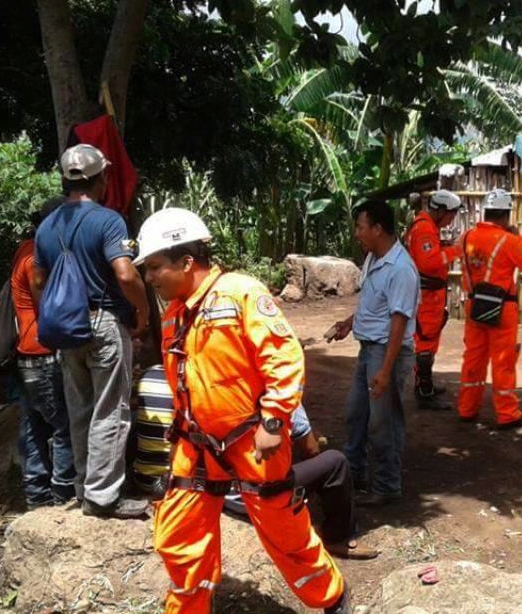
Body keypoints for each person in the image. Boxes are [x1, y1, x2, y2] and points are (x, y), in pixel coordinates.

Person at [137, 208, 348, 614]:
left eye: (155, 267)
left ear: (185, 261)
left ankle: (332, 600)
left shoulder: (240, 294)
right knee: (178, 536)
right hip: (195, 446)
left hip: (254, 441)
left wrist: (273, 420)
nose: (149, 278)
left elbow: (283, 359)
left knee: (284, 532)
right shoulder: (174, 315)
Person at [131, 364, 378, 560]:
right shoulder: (275, 390)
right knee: (334, 462)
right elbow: (311, 450)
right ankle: (338, 536)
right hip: (252, 496)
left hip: (209, 490)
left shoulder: (197, 385)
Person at [32, 144, 151, 519]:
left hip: (66, 330)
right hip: (102, 322)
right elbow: (125, 273)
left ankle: (85, 488)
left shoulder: (47, 226)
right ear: (102, 177)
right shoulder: (109, 220)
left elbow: (37, 278)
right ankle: (103, 497)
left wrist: (50, 313)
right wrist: (142, 311)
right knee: (110, 408)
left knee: (80, 407)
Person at [330, 200, 418, 508]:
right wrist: (349, 323)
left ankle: (387, 484)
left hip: (386, 353)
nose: (357, 233)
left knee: (384, 422)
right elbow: (374, 303)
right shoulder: (374, 259)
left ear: (378, 229)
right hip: (369, 350)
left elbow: (399, 321)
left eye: (360, 226)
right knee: (356, 416)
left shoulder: (401, 269)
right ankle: (355, 475)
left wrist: (385, 370)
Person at [12, 198, 75, 508]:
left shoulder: (25, 249)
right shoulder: (34, 257)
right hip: (43, 352)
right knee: (63, 424)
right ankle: (63, 493)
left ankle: (36, 495)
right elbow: (49, 306)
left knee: (33, 425)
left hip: (28, 351)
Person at [458, 188, 522, 429]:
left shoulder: (466, 237)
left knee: (473, 357)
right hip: (502, 308)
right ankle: (507, 413)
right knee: (503, 360)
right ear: (505, 215)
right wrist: (519, 237)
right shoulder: (509, 240)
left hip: (474, 305)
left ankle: (467, 408)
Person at [404, 189, 463, 410]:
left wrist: (446, 247)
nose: (452, 219)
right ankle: (424, 392)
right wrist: (454, 251)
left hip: (431, 294)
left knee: (429, 339)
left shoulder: (427, 227)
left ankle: (424, 384)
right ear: (440, 211)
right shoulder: (424, 229)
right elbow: (429, 263)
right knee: (425, 342)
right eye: (451, 215)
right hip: (427, 295)